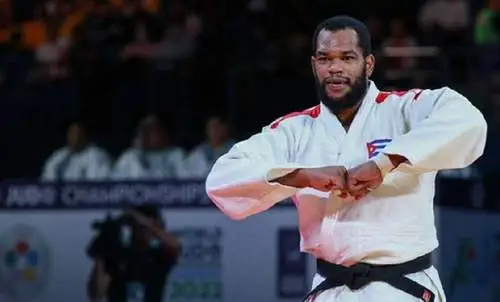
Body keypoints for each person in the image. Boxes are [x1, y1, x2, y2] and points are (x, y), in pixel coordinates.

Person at [205, 16, 487, 302]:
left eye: (347, 57)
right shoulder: (295, 130)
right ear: (314, 65)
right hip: (331, 289)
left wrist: (384, 164)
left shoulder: (405, 110)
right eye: (325, 58)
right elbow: (222, 178)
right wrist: (302, 175)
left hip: (405, 288)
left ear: (369, 64)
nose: (335, 68)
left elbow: (469, 121)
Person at [86, 205, 181, 302]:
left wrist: (144, 221)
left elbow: (175, 246)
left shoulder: (158, 256)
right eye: (137, 227)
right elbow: (96, 295)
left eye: (144, 228)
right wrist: (101, 254)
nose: (144, 232)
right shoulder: (118, 255)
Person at [41, 121, 112, 181]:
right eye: (72, 134)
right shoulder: (59, 156)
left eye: (79, 134)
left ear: (85, 136)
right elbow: (48, 181)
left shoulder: (97, 155)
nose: (75, 138)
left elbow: (97, 185)